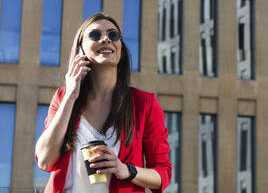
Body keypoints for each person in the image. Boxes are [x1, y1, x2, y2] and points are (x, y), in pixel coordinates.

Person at [35, 13, 171, 193]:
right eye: (95, 35)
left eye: (113, 35)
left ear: (121, 49)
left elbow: (163, 174)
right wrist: (70, 96)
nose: (106, 39)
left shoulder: (144, 104)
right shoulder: (63, 97)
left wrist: (125, 170)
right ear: (80, 50)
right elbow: (45, 160)